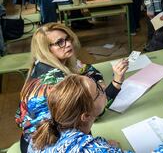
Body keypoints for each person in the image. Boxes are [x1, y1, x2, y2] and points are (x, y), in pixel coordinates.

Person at [28, 74, 163, 153]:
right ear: (85, 116)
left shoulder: (49, 126)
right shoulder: (92, 149)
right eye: (99, 91)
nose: (103, 87)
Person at [16, 23, 128, 152]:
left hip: (35, 140)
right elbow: (96, 111)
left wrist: (95, 84)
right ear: (46, 49)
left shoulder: (44, 65)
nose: (68, 44)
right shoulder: (58, 82)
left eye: (67, 38)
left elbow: (90, 70)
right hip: (52, 145)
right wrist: (116, 82)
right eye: (60, 42)